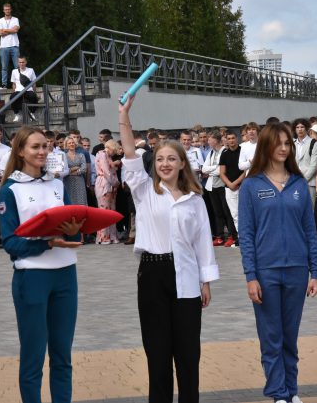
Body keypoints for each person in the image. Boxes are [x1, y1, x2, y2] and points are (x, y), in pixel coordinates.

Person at [118, 95, 218, 403]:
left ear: (182, 163)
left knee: (188, 355)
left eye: (171, 159)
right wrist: (124, 115)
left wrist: (205, 281)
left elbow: (203, 241)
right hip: (152, 273)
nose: (165, 164)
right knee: (158, 354)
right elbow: (129, 154)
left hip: (186, 274)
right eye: (160, 159)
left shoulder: (195, 199)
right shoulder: (144, 191)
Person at [0, 126, 84, 403]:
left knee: (62, 356)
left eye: (45, 146)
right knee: (33, 356)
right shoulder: (10, 190)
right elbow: (10, 243)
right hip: (32, 276)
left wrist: (73, 233)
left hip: (66, 274)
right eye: (35, 147)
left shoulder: (57, 184)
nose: (42, 151)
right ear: (21, 151)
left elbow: (75, 234)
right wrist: (46, 244)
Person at [238, 122, 317, 403]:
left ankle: (291, 391)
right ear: (266, 146)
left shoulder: (298, 184)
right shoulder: (251, 185)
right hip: (266, 272)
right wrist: (251, 276)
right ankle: (278, 393)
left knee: (289, 336)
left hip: (297, 271)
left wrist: (315, 271)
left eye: (287, 143)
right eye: (278, 143)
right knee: (271, 336)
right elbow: (246, 235)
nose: (284, 148)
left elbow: (310, 230)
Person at [94, 139, 120, 244]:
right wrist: (116, 182)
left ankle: (112, 235)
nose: (115, 153)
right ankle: (103, 237)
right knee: (104, 210)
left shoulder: (107, 156)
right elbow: (106, 172)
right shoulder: (102, 154)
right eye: (115, 150)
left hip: (110, 184)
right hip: (104, 183)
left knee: (111, 210)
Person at [0, 3, 21, 88]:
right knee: (4, 67)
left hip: (14, 45)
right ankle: (4, 85)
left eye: (8, 9)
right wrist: (11, 30)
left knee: (17, 66)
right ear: (3, 10)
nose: (7, 11)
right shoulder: (0, 20)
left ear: (11, 10)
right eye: (6, 9)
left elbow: (16, 30)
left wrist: (5, 30)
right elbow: (0, 33)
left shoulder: (15, 19)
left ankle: (19, 83)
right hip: (4, 47)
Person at [10, 56, 39, 122]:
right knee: (12, 97)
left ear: (26, 62)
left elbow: (34, 83)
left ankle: (32, 114)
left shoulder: (31, 70)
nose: (21, 64)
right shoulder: (14, 71)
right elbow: (14, 84)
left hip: (28, 90)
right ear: (18, 63)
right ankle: (17, 114)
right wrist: (14, 92)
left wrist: (35, 93)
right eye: (20, 62)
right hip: (18, 90)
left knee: (33, 96)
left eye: (23, 62)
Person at [64, 136, 88, 205]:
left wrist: (74, 172)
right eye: (69, 143)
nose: (71, 144)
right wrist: (73, 169)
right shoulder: (63, 156)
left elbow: (84, 169)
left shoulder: (81, 155)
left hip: (79, 181)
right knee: (69, 201)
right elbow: (63, 170)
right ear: (66, 145)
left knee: (81, 201)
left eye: (73, 143)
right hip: (68, 181)